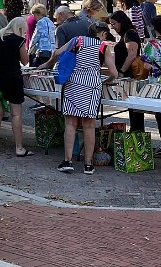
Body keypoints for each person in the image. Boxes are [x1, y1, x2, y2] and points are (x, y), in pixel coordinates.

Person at [39, 22, 118, 174]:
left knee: (70, 123)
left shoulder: (77, 40)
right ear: (102, 34)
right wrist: (106, 81)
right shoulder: (103, 47)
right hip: (93, 86)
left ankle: (67, 161)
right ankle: (88, 164)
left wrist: (48, 64)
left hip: (73, 83)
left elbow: (57, 53)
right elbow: (114, 73)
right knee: (89, 125)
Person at [0, 17, 31, 156]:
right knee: (16, 114)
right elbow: (25, 61)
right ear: (20, 29)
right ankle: (19, 148)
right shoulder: (19, 41)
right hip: (13, 78)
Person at [133, 16, 161, 158]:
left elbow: (146, 65)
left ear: (153, 27)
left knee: (160, 114)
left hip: (156, 81)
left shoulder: (151, 44)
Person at [109, 11, 142, 79]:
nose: (112, 27)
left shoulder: (130, 34)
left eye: (113, 24)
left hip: (128, 75)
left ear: (121, 22)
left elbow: (132, 55)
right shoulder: (125, 35)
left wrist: (122, 71)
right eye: (111, 24)